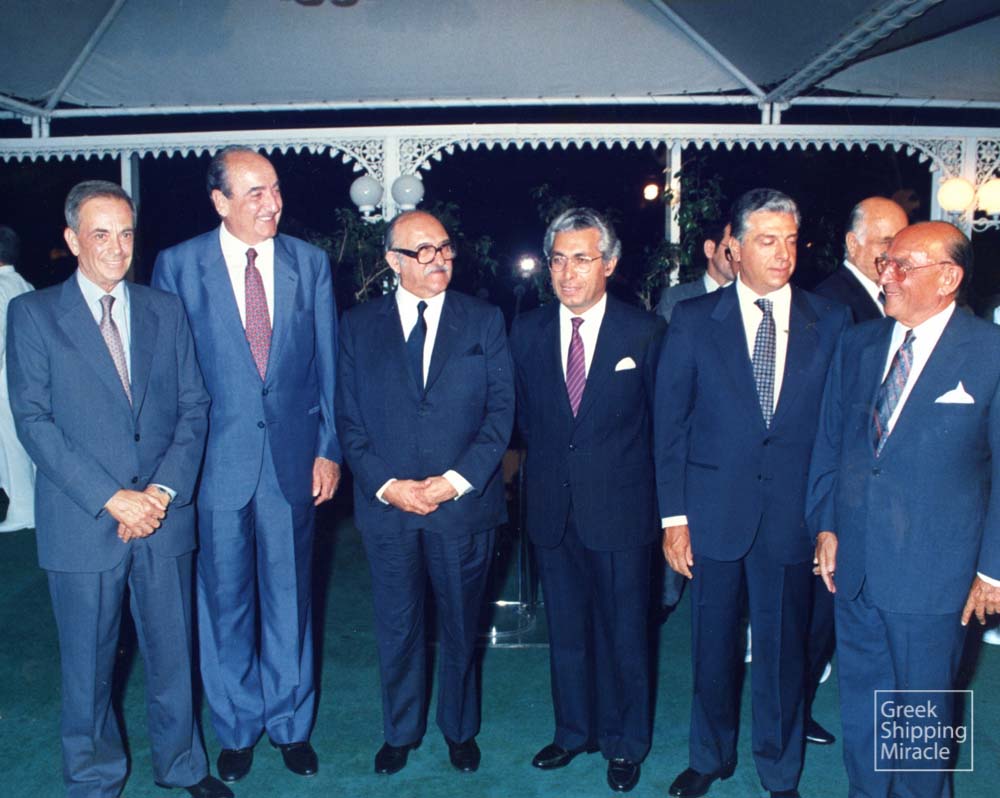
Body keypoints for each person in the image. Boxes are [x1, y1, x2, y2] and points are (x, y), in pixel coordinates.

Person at [6, 181, 227, 798]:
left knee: (172, 658)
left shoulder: (165, 310)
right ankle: (93, 778)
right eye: (100, 234)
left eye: (126, 233)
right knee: (88, 667)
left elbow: (194, 406)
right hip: (84, 521)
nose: (116, 247)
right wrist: (112, 497)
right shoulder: (31, 314)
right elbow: (34, 422)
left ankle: (182, 766)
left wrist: (159, 493)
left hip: (161, 517)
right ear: (73, 240)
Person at [152, 146, 341, 782]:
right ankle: (236, 726)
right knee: (223, 601)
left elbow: (327, 368)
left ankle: (290, 724)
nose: (273, 203)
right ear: (220, 202)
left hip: (292, 463)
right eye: (255, 192)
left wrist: (329, 448)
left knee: (290, 600)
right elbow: (166, 378)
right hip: (214, 467)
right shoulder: (178, 266)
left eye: (277, 189)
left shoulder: (309, 264)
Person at [656, 188, 849, 798]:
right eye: (767, 240)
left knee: (783, 655)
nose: (783, 253)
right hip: (713, 516)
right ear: (733, 248)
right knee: (711, 649)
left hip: (793, 519)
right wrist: (674, 519)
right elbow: (670, 427)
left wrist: (827, 520)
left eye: (791, 240)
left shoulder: (831, 320)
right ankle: (708, 758)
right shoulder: (692, 320)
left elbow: (836, 433)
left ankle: (780, 769)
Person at [807, 220, 1000, 798]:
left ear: (948, 277)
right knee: (865, 708)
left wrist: (992, 569)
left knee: (920, 719)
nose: (884, 274)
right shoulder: (861, 343)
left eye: (901, 265)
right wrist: (826, 525)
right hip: (857, 564)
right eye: (884, 261)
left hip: (935, 574)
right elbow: (833, 442)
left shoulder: (990, 352)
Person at [335, 210, 514, 775]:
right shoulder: (357, 327)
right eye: (423, 251)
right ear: (393, 262)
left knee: (463, 625)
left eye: (444, 248)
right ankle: (401, 730)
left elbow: (501, 412)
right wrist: (389, 487)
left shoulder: (484, 320)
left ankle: (460, 730)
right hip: (389, 511)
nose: (439, 260)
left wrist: (454, 482)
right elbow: (349, 421)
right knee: (398, 625)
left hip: (462, 508)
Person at [511, 208, 665, 793]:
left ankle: (626, 743)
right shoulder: (524, 332)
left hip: (623, 511)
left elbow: (662, 428)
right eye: (557, 259)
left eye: (582, 258)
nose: (567, 272)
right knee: (567, 630)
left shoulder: (644, 333)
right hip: (552, 507)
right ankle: (574, 730)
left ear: (610, 264)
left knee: (625, 633)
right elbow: (525, 418)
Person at [805, 196, 910, 746]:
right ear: (852, 244)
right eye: (885, 244)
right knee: (821, 621)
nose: (895, 257)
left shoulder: (887, 301)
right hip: (841, 500)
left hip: (884, 509)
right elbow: (828, 419)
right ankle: (793, 714)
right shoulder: (833, 303)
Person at [655, 219, 736, 617]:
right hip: (686, 435)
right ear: (710, 249)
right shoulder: (678, 301)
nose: (735, 256)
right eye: (727, 248)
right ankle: (667, 598)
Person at [814, 196, 908, 323]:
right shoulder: (829, 301)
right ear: (853, 243)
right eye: (887, 242)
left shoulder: (895, 293)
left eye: (902, 242)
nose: (898, 252)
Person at [0, 225, 36, 532]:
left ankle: (22, 510)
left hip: (3, 379)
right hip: (24, 378)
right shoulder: (24, 283)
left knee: (11, 448)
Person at [655, 219, 736, 323]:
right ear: (710, 249)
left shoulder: (747, 300)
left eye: (740, 251)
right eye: (731, 250)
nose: (737, 257)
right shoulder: (675, 298)